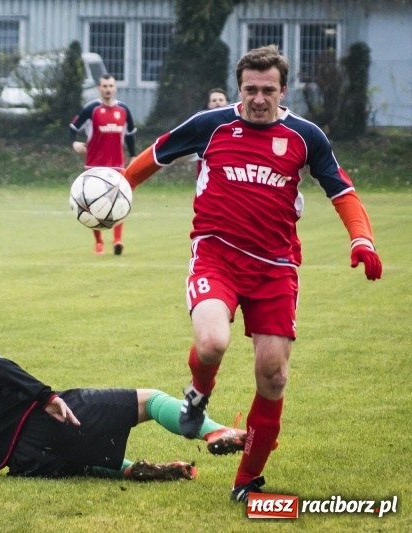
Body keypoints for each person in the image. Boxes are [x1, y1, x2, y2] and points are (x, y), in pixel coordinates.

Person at [122, 45, 383, 502]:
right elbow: (156, 155)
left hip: (276, 268)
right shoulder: (211, 124)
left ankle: (247, 479)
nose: (258, 98)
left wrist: (362, 238)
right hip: (215, 256)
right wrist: (119, 186)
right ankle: (198, 395)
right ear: (239, 88)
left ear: (283, 90)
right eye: (250, 90)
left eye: (268, 90)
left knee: (273, 374)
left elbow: (342, 190)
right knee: (211, 342)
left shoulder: (306, 137)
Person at [0, 308, 248, 480]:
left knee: (80, 458)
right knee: (148, 400)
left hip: (22, 465)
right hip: (39, 422)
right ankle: (212, 430)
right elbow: (0, 368)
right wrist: (46, 396)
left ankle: (131, 469)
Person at [70, 74, 136, 255]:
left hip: (117, 165)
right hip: (94, 166)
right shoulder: (91, 109)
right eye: (105, 86)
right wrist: (74, 142)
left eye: (111, 86)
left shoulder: (124, 110)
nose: (108, 89)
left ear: (115, 88)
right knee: (92, 204)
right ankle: (98, 242)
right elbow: (73, 127)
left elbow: (130, 134)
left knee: (120, 200)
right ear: (99, 88)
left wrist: (134, 155)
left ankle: (117, 240)